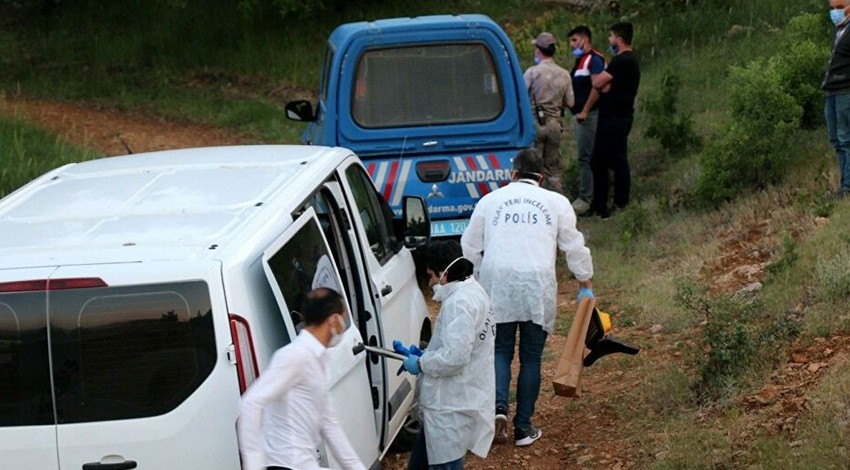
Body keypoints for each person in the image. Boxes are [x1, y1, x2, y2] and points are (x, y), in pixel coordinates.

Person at [460, 148, 594, 448]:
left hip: (498, 283)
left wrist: (477, 276)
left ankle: (497, 409)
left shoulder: (490, 201)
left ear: (513, 174)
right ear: (542, 178)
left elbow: (469, 246)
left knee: (500, 351)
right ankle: (523, 428)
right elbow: (574, 246)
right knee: (531, 358)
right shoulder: (556, 203)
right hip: (537, 284)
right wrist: (585, 281)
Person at [237, 287, 367, 470]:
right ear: (333, 320)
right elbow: (251, 402)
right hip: (286, 464)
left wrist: (356, 467)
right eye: (343, 317)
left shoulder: (318, 359)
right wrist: (255, 465)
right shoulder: (294, 356)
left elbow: (329, 423)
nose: (343, 325)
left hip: (304, 464)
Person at [397, 240, 495, 470]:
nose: (430, 282)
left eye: (431, 276)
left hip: (450, 407)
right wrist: (427, 352)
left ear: (445, 273)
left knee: (446, 465)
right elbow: (460, 345)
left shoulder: (459, 304)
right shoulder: (473, 291)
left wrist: (421, 362)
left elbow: (455, 358)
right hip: (458, 397)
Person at [589, 22, 641, 219]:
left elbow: (597, 82)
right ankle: (601, 204)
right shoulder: (629, 61)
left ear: (619, 39)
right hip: (616, 117)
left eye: (611, 36)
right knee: (600, 161)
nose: (609, 40)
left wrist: (603, 83)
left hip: (614, 119)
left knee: (614, 160)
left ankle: (619, 202)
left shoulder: (622, 61)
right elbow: (605, 85)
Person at [524, 32, 575, 195]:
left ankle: (533, 201)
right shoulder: (564, 74)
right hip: (554, 124)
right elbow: (571, 102)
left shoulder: (532, 72)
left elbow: (521, 97)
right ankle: (558, 202)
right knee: (553, 170)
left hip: (535, 124)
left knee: (533, 168)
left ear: (538, 51)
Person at [567, 25, 607, 215]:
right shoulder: (580, 62)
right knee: (585, 157)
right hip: (580, 116)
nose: (572, 45)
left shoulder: (594, 60)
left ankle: (586, 198)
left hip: (589, 117)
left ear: (585, 39)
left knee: (587, 158)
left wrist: (585, 110)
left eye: (574, 40)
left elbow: (597, 86)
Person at [824, 0, 850, 200]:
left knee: (845, 138)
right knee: (836, 139)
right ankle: (844, 185)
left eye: (840, 8)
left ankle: (848, 187)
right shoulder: (839, 31)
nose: (835, 12)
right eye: (833, 8)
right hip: (832, 90)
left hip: (845, 91)